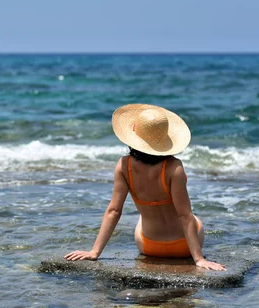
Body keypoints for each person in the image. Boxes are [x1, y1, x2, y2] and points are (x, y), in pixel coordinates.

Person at [65, 104, 225, 271]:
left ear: (134, 136)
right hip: (183, 247)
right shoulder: (174, 167)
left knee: (143, 218)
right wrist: (198, 259)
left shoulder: (124, 166)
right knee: (192, 216)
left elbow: (114, 211)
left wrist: (94, 251)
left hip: (149, 246)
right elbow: (185, 216)